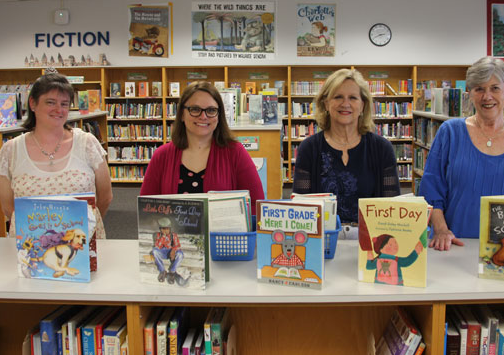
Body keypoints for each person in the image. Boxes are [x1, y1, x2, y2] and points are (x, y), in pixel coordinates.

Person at [421, 57, 504, 251]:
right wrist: (441, 230)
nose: (487, 96)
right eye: (479, 89)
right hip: (454, 244)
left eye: (495, 88)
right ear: (469, 94)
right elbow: (432, 189)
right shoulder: (450, 132)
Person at [0, 71, 113, 238]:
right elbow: (8, 208)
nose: (59, 110)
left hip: (82, 244)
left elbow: (105, 197)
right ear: (33, 103)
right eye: (51, 102)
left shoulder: (87, 144)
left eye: (64, 104)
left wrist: (89, 224)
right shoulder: (11, 151)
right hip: (32, 248)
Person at [292, 68, 401, 228]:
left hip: (371, 242)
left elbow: (392, 208)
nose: (345, 104)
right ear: (326, 104)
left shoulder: (381, 148)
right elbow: (301, 209)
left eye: (353, 98)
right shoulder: (309, 149)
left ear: (363, 105)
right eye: (338, 97)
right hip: (324, 240)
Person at [140, 81, 264, 213]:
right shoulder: (162, 155)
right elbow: (146, 209)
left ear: (219, 115)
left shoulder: (236, 153)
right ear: (182, 114)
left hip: (223, 233)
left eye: (211, 110)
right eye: (195, 109)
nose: (203, 116)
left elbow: (256, 205)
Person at [151, 217, 184, 285]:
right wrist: (163, 237)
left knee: (180, 254)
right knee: (154, 251)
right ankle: (162, 271)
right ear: (160, 229)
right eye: (163, 228)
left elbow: (177, 245)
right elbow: (157, 246)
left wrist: (173, 250)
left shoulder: (173, 235)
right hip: (163, 252)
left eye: (167, 228)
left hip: (171, 253)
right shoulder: (158, 235)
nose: (165, 230)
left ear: (169, 229)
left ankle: (172, 272)